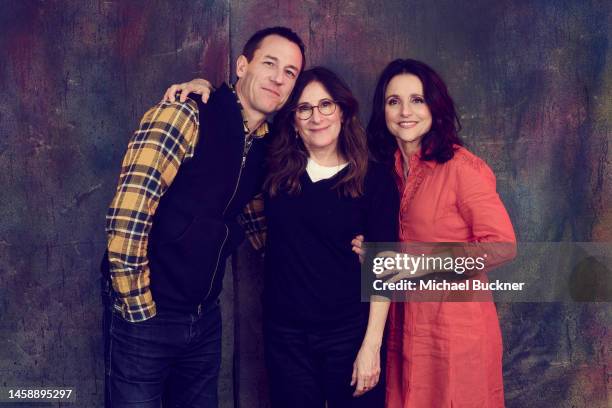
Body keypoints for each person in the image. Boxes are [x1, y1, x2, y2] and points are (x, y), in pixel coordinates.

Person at [164, 67, 399, 407]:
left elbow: (385, 270)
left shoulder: (374, 177)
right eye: (304, 108)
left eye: (326, 105)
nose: (316, 117)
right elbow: (238, 118)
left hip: (349, 333)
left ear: (344, 111)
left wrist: (371, 347)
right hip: (285, 335)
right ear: (292, 120)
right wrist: (202, 89)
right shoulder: (274, 162)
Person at [101, 26, 305, 407]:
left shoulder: (268, 145)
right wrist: (137, 307)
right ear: (242, 66)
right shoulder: (186, 113)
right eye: (270, 63)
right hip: (148, 310)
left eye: (290, 72)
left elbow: (257, 221)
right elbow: (129, 212)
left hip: (204, 316)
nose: (279, 77)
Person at [362, 58, 517, 407]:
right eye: (393, 101)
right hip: (407, 328)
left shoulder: (462, 169)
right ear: (382, 110)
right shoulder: (389, 170)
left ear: (435, 106)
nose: (405, 111)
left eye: (417, 99)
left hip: (456, 333)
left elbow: (502, 245)